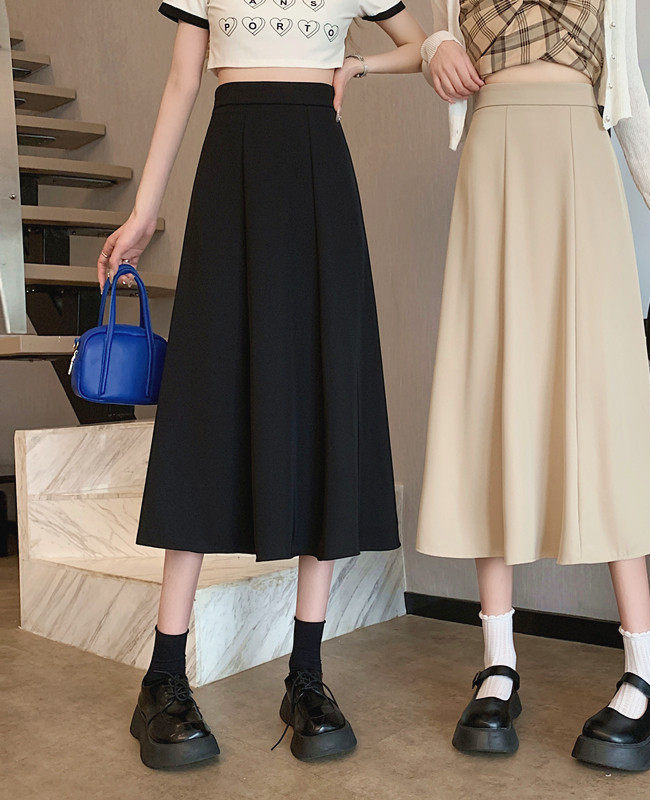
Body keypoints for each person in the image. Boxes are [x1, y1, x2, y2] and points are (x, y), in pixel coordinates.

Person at [97, 0, 426, 769]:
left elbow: (421, 44)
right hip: (232, 164)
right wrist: (144, 211)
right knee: (207, 402)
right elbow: (183, 80)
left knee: (324, 391)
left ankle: (306, 674)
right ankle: (164, 677)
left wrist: (358, 64)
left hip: (319, 168)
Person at [416, 0, 650, 771]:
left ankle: (646, 673)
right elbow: (428, 36)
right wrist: (436, 40)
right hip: (491, 160)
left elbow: (626, 89)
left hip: (579, 158)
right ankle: (496, 664)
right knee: (488, 393)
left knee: (601, 403)